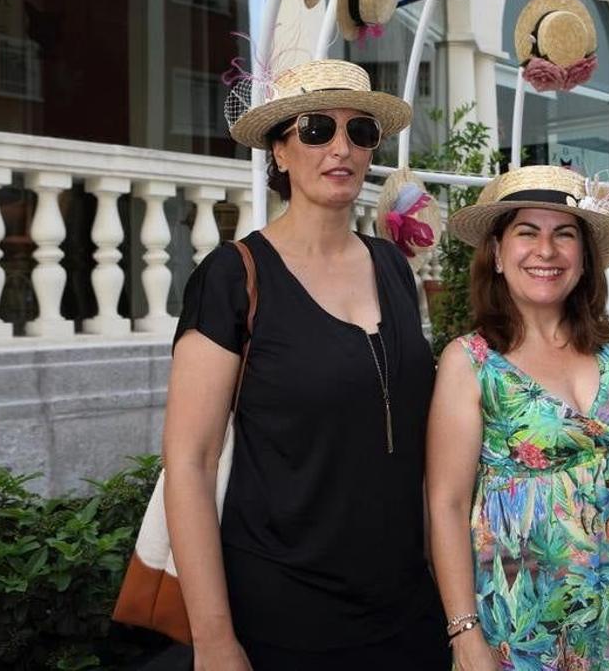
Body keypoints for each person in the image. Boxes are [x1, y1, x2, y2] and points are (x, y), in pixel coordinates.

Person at [164, 59, 449, 669]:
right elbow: (190, 460)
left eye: (361, 132)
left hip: (407, 607)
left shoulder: (393, 268)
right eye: (316, 130)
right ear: (280, 151)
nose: (341, 147)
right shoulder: (232, 277)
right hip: (284, 616)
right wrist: (214, 639)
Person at [426, 165, 609, 671]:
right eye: (527, 233)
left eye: (564, 234)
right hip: (528, 628)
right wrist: (464, 630)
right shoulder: (470, 361)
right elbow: (446, 504)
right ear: (497, 253)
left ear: (584, 259)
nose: (547, 250)